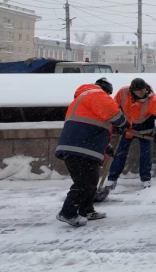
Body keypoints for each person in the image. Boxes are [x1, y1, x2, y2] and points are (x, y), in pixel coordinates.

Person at [55, 77, 128, 227]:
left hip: (82, 146)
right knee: (84, 182)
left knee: (91, 180)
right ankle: (67, 212)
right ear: (105, 91)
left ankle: (86, 210)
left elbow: (93, 125)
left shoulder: (84, 99)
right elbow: (114, 114)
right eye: (108, 95)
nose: (108, 98)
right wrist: (123, 122)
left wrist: (105, 146)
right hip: (81, 148)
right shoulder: (96, 94)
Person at [105, 78, 156, 189]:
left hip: (145, 130)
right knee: (120, 154)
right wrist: (117, 124)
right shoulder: (123, 92)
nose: (142, 92)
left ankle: (146, 179)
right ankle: (112, 178)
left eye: (143, 89)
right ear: (132, 90)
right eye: (139, 90)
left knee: (145, 155)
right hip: (127, 129)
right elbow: (114, 108)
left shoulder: (152, 99)